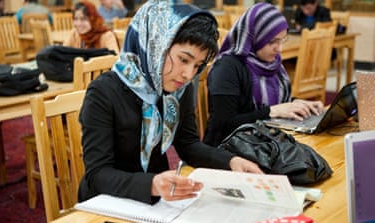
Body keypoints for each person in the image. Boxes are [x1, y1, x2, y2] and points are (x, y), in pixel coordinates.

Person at [77, 0, 263, 205]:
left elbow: (188, 145)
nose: (188, 74)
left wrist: (230, 161)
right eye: (184, 60)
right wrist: (152, 184)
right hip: (108, 202)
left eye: (197, 65)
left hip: (158, 199)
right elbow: (97, 174)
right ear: (155, 44)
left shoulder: (177, 89)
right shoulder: (103, 92)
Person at [203, 2, 324, 147]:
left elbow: (272, 100)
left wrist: (295, 103)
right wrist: (271, 112)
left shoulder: (271, 64)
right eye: (272, 41)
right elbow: (224, 125)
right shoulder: (227, 68)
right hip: (230, 150)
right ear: (255, 37)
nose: (279, 48)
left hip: (264, 142)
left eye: (282, 39)